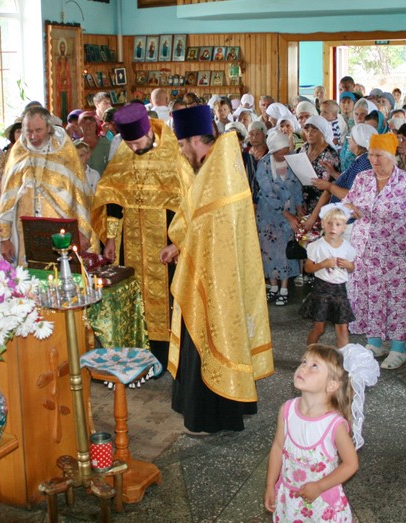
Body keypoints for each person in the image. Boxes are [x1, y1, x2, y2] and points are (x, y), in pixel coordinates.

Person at [160, 104, 273, 433]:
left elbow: (211, 228)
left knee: (210, 340)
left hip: (214, 277)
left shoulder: (218, 170)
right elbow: (200, 224)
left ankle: (211, 414)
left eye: (183, 145)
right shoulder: (217, 165)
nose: (182, 152)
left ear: (196, 139)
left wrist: (184, 249)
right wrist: (179, 245)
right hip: (212, 269)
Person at [92, 103, 193, 365]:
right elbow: (114, 198)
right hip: (131, 242)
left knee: (167, 297)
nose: (135, 149)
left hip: (164, 241)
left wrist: (177, 242)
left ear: (149, 131)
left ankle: (167, 355)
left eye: (138, 142)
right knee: (132, 294)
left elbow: (185, 202)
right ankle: (137, 353)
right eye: (130, 144)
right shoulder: (125, 154)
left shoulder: (172, 154)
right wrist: (111, 238)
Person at [343, 132, 406, 370]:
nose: (374, 160)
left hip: (397, 254)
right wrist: (349, 211)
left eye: (379, 155)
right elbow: (349, 205)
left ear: (392, 156)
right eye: (371, 155)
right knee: (369, 296)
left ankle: (398, 349)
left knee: (397, 299)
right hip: (365, 253)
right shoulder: (362, 178)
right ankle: (374, 342)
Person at [264, 344, 357, 523]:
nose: (303, 368)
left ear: (332, 385)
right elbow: (277, 447)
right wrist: (270, 485)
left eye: (314, 366)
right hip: (289, 498)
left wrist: (319, 486)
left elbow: (351, 464)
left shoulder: (333, 424)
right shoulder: (287, 410)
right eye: (304, 361)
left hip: (321, 504)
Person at [0, 106, 92, 265]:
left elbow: (79, 194)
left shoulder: (65, 152)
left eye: (38, 130)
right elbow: (8, 197)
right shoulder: (18, 152)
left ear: (49, 128)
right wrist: (5, 238)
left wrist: (82, 231)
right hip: (26, 230)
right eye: (28, 131)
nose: (33, 136)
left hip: (60, 229)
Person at [255, 130, 304, 306]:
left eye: (286, 150)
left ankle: (284, 288)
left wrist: (299, 208)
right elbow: (267, 192)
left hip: (289, 212)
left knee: (286, 249)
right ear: (272, 151)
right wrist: (288, 215)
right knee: (269, 250)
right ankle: (273, 286)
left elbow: (297, 185)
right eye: (280, 152)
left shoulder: (292, 161)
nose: (284, 154)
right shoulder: (264, 165)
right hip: (269, 214)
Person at [302, 205, 357, 349]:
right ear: (323, 224)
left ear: (344, 227)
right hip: (322, 290)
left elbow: (352, 268)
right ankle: (309, 353)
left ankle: (342, 359)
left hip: (340, 291)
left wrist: (348, 265)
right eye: (329, 223)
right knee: (319, 328)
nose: (333, 228)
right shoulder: (316, 246)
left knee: (342, 328)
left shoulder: (348, 247)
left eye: (338, 224)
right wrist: (322, 264)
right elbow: (308, 268)